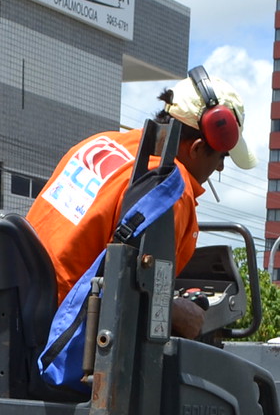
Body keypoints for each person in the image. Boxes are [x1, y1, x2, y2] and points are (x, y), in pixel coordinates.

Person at [27, 67, 255, 351]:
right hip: (65, 338)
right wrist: (177, 313)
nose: (220, 166)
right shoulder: (171, 188)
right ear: (196, 148)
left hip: (21, 312)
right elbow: (131, 303)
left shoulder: (101, 143)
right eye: (222, 158)